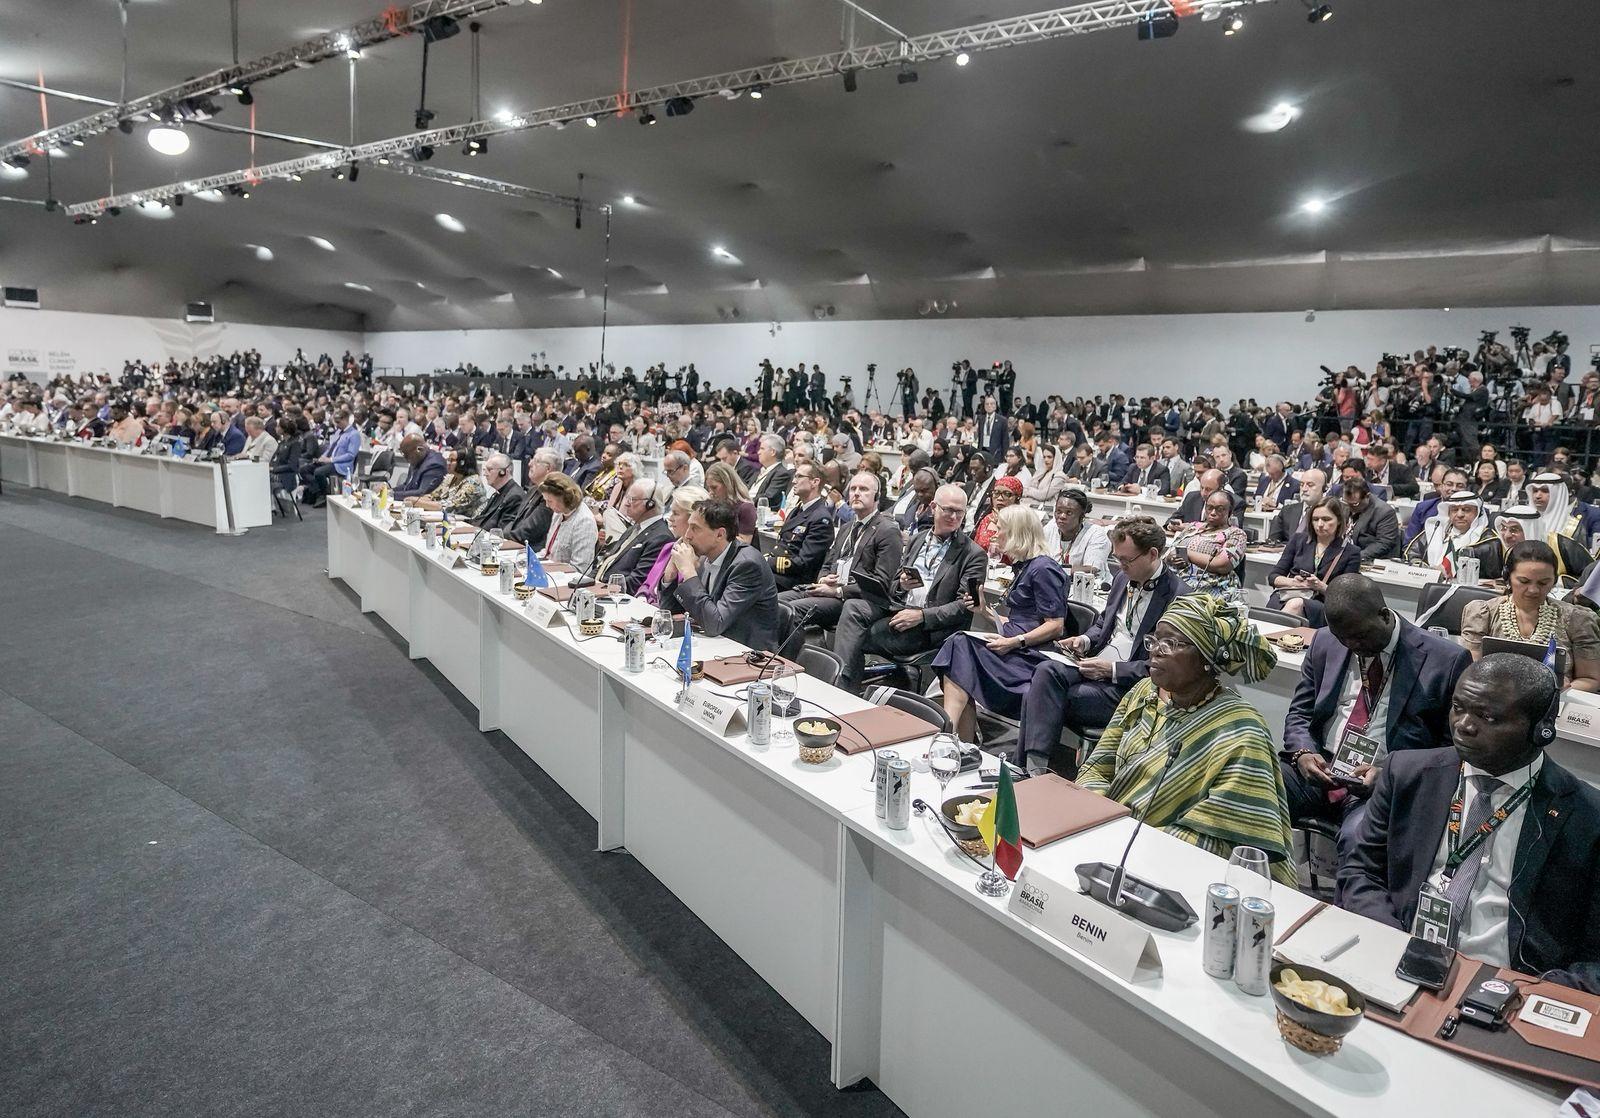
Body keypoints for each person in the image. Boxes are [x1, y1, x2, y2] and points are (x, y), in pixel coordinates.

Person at [1340, 655, 1600, 990]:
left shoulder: (1585, 815)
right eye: (1458, 707)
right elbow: (1360, 871)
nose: (1464, 724)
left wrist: (1534, 992)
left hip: (1510, 984)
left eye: (1487, 716)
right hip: (1399, 951)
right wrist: (1393, 942)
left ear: (1541, 730)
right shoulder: (1406, 773)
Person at [1077, 594, 1297, 884]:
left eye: (1172, 643)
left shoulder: (1240, 731)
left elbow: (1224, 840)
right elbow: (1097, 767)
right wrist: (1098, 820)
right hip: (1109, 840)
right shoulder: (1144, 693)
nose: (1155, 651)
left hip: (1176, 872)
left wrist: (1136, 841)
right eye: (1154, 641)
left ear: (1207, 658)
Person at [1280, 575, 1470, 852]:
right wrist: (1303, 752)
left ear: (1384, 616)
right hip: (1322, 767)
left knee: (1359, 837)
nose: (1351, 645)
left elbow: (1450, 750)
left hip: (1385, 780)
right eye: (1342, 637)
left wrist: (1390, 773)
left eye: (1359, 636)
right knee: (1253, 791)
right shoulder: (1325, 642)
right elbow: (1300, 713)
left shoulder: (1445, 660)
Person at [1016, 516, 1191, 775]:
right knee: (1045, 671)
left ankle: (1031, 769)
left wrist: (1111, 670)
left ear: (1153, 554)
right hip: (1094, 665)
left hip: (1128, 686)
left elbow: (1164, 666)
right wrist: (1084, 640)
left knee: (1038, 694)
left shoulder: (1179, 596)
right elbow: (1103, 624)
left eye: (1125, 560)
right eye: (1117, 558)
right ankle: (1035, 769)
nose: (1119, 566)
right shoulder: (1123, 579)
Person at [831, 484, 987, 692]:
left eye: (959, 512)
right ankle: (846, 687)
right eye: (947, 509)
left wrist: (922, 616)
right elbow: (895, 585)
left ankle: (843, 689)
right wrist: (902, 585)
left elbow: (964, 607)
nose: (953, 516)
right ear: (933, 507)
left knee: (857, 635)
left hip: (931, 626)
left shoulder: (973, 554)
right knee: (852, 607)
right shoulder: (917, 539)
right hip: (900, 608)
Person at [931, 504, 1067, 742]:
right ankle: (958, 739)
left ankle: (949, 734)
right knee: (959, 648)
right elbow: (1019, 621)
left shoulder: (1044, 569)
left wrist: (1015, 642)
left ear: (1016, 532)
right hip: (1014, 646)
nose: (994, 533)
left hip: (1030, 656)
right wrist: (984, 612)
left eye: (1000, 528)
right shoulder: (1025, 567)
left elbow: (1055, 625)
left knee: (959, 644)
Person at [1460, 541, 1600, 691]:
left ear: (1554, 581)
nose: (1533, 590)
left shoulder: (1576, 619)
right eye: (1524, 581)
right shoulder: (1483, 614)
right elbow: (1470, 672)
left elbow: (1590, 679)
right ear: (1507, 577)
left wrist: (1565, 689)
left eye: (1543, 583)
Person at [777, 471, 903, 633]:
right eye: (853, 489)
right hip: (827, 591)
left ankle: (794, 658)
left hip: (853, 598)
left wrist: (838, 591)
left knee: (792, 611)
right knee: (776, 603)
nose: (856, 493)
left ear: (877, 496)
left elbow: (881, 582)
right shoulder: (846, 528)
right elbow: (827, 563)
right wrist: (823, 578)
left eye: (864, 489)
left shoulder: (887, 530)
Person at [657, 496, 780, 651]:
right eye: (688, 527)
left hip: (747, 655)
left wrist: (688, 572)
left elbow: (714, 624)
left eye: (695, 528)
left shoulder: (747, 565)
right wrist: (670, 575)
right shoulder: (705, 556)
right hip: (715, 646)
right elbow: (671, 613)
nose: (687, 535)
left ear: (720, 535)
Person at [1265, 496, 1363, 625]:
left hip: (1323, 604)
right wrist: (1293, 582)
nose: (1320, 524)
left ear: (1339, 520)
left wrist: (1320, 586)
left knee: (1296, 604)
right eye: (1315, 519)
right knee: (1291, 603)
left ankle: (1270, 636)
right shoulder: (1298, 540)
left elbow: (1347, 596)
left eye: (1326, 519)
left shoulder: (1351, 552)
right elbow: (1273, 577)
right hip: (1288, 594)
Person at [593, 479, 675, 594]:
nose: (626, 503)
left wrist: (600, 588)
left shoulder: (661, 537)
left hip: (618, 597)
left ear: (650, 504)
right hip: (602, 588)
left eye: (633, 500)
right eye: (628, 498)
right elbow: (608, 561)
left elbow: (636, 582)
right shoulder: (634, 528)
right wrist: (586, 581)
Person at [767, 462, 835, 590]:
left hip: (792, 581)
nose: (793, 481)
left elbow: (804, 563)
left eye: (799, 476)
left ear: (814, 482)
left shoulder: (821, 518)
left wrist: (769, 563)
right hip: (778, 574)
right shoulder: (798, 510)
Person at [1167, 490, 1248, 597]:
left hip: (1209, 587)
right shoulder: (1193, 527)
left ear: (1230, 511)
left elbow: (1222, 565)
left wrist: (1188, 554)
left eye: (1220, 509)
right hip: (1175, 581)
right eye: (1209, 507)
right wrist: (1172, 558)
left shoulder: (1236, 534)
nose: (1213, 513)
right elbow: (1169, 553)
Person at [639, 485, 708, 604]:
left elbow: (691, 605)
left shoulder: (704, 559)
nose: (670, 519)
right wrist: (641, 598)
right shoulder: (669, 548)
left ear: (692, 517)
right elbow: (647, 585)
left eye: (675, 513)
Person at [1527, 471, 1600, 580]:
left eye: (1545, 491)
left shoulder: (1572, 527)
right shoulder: (1524, 521)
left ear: (1558, 493)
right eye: (1535, 491)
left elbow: (1582, 569)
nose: (1538, 496)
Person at [1400, 494, 1490, 572]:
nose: (1460, 515)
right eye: (1454, 510)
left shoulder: (1488, 540)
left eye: (1466, 510)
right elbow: (1412, 554)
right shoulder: (1435, 530)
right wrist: (1421, 566)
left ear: (1477, 513)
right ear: (1448, 513)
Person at [1040, 489, 1112, 577]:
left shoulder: (1096, 533)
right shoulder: (1051, 527)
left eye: (1069, 513)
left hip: (1090, 587)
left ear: (1081, 517)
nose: (1062, 516)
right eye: (1059, 511)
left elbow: (1092, 569)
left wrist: (1053, 570)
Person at [537, 472, 599, 571]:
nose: (547, 505)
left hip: (567, 580)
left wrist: (547, 568)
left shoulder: (584, 522)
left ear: (564, 498)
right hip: (550, 571)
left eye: (550, 501)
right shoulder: (558, 513)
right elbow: (549, 552)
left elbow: (580, 568)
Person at [501, 447, 561, 549]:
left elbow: (529, 531)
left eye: (536, 461)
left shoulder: (551, 495)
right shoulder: (533, 490)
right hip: (514, 544)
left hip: (531, 551)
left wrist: (500, 537)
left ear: (548, 469)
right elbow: (514, 520)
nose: (529, 464)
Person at [304, 411, 360, 505]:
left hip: (341, 465)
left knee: (319, 472)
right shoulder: (338, 432)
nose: (337, 425)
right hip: (329, 460)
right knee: (305, 469)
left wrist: (331, 460)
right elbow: (331, 448)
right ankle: (319, 491)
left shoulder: (354, 434)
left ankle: (324, 495)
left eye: (338, 422)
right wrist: (323, 456)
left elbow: (351, 455)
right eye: (336, 422)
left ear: (345, 420)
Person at [1340, 474, 1401, 561]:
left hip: (1369, 559)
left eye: (1354, 504)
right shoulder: (1344, 505)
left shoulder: (1384, 512)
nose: (1349, 508)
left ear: (1367, 496)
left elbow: (1384, 543)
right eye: (1346, 503)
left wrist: (1355, 557)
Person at [419, 448, 491, 521]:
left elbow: (446, 507)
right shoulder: (451, 478)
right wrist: (413, 499)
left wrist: (414, 502)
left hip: (468, 524)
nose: (448, 463)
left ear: (462, 463)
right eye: (448, 460)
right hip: (450, 519)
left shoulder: (473, 482)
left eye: (451, 460)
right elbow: (433, 497)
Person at [466, 453, 524, 532]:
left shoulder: (515, 496)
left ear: (504, 472)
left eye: (489, 470)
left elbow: (501, 531)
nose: (485, 474)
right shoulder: (498, 493)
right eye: (485, 470)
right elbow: (482, 518)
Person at [1266, 469, 1327, 545]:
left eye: (1310, 485)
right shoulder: (1287, 511)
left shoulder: (1328, 514)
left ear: (1324, 488)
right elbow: (1272, 541)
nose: (1304, 489)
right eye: (1301, 485)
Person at [703, 460, 757, 544]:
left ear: (727, 484)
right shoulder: (713, 506)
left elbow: (745, 541)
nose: (711, 492)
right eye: (709, 488)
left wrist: (713, 536)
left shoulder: (746, 508)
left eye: (714, 487)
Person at [973, 475, 1023, 554]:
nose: (1000, 498)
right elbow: (974, 549)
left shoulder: (1022, 522)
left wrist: (1003, 526)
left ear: (1017, 498)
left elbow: (1019, 555)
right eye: (996, 493)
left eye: (1007, 494)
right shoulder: (987, 519)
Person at [390, 435, 447, 501]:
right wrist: (389, 491)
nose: (406, 460)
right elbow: (407, 486)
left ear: (420, 449)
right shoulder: (417, 459)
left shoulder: (434, 465)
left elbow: (422, 493)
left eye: (408, 456)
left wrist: (392, 495)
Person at [749, 433, 793, 508]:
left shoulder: (781, 473)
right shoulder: (759, 470)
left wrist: (745, 502)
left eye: (762, 449)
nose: (758, 452)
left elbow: (769, 497)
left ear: (773, 452)